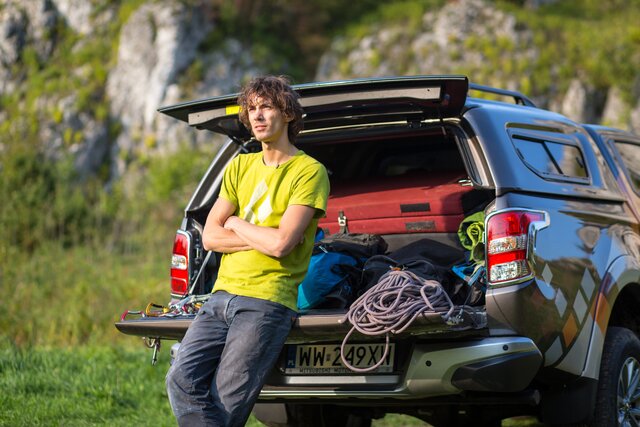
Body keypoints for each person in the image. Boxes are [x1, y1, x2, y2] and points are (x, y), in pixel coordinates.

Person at [166, 75, 330, 427]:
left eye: (266, 106)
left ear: (288, 114)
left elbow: (281, 245)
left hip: (266, 301)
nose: (257, 115)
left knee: (226, 402)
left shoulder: (309, 172)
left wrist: (236, 223)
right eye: (251, 108)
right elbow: (210, 237)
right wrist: (264, 237)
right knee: (180, 380)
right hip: (220, 296)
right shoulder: (240, 166)